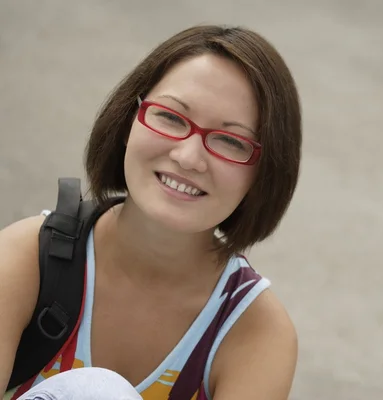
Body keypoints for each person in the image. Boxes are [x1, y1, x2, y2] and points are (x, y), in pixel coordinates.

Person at [0, 24, 302, 400]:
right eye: (171, 117)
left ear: (263, 173)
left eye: (230, 140)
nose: (188, 157)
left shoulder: (253, 330)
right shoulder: (27, 258)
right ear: (130, 120)